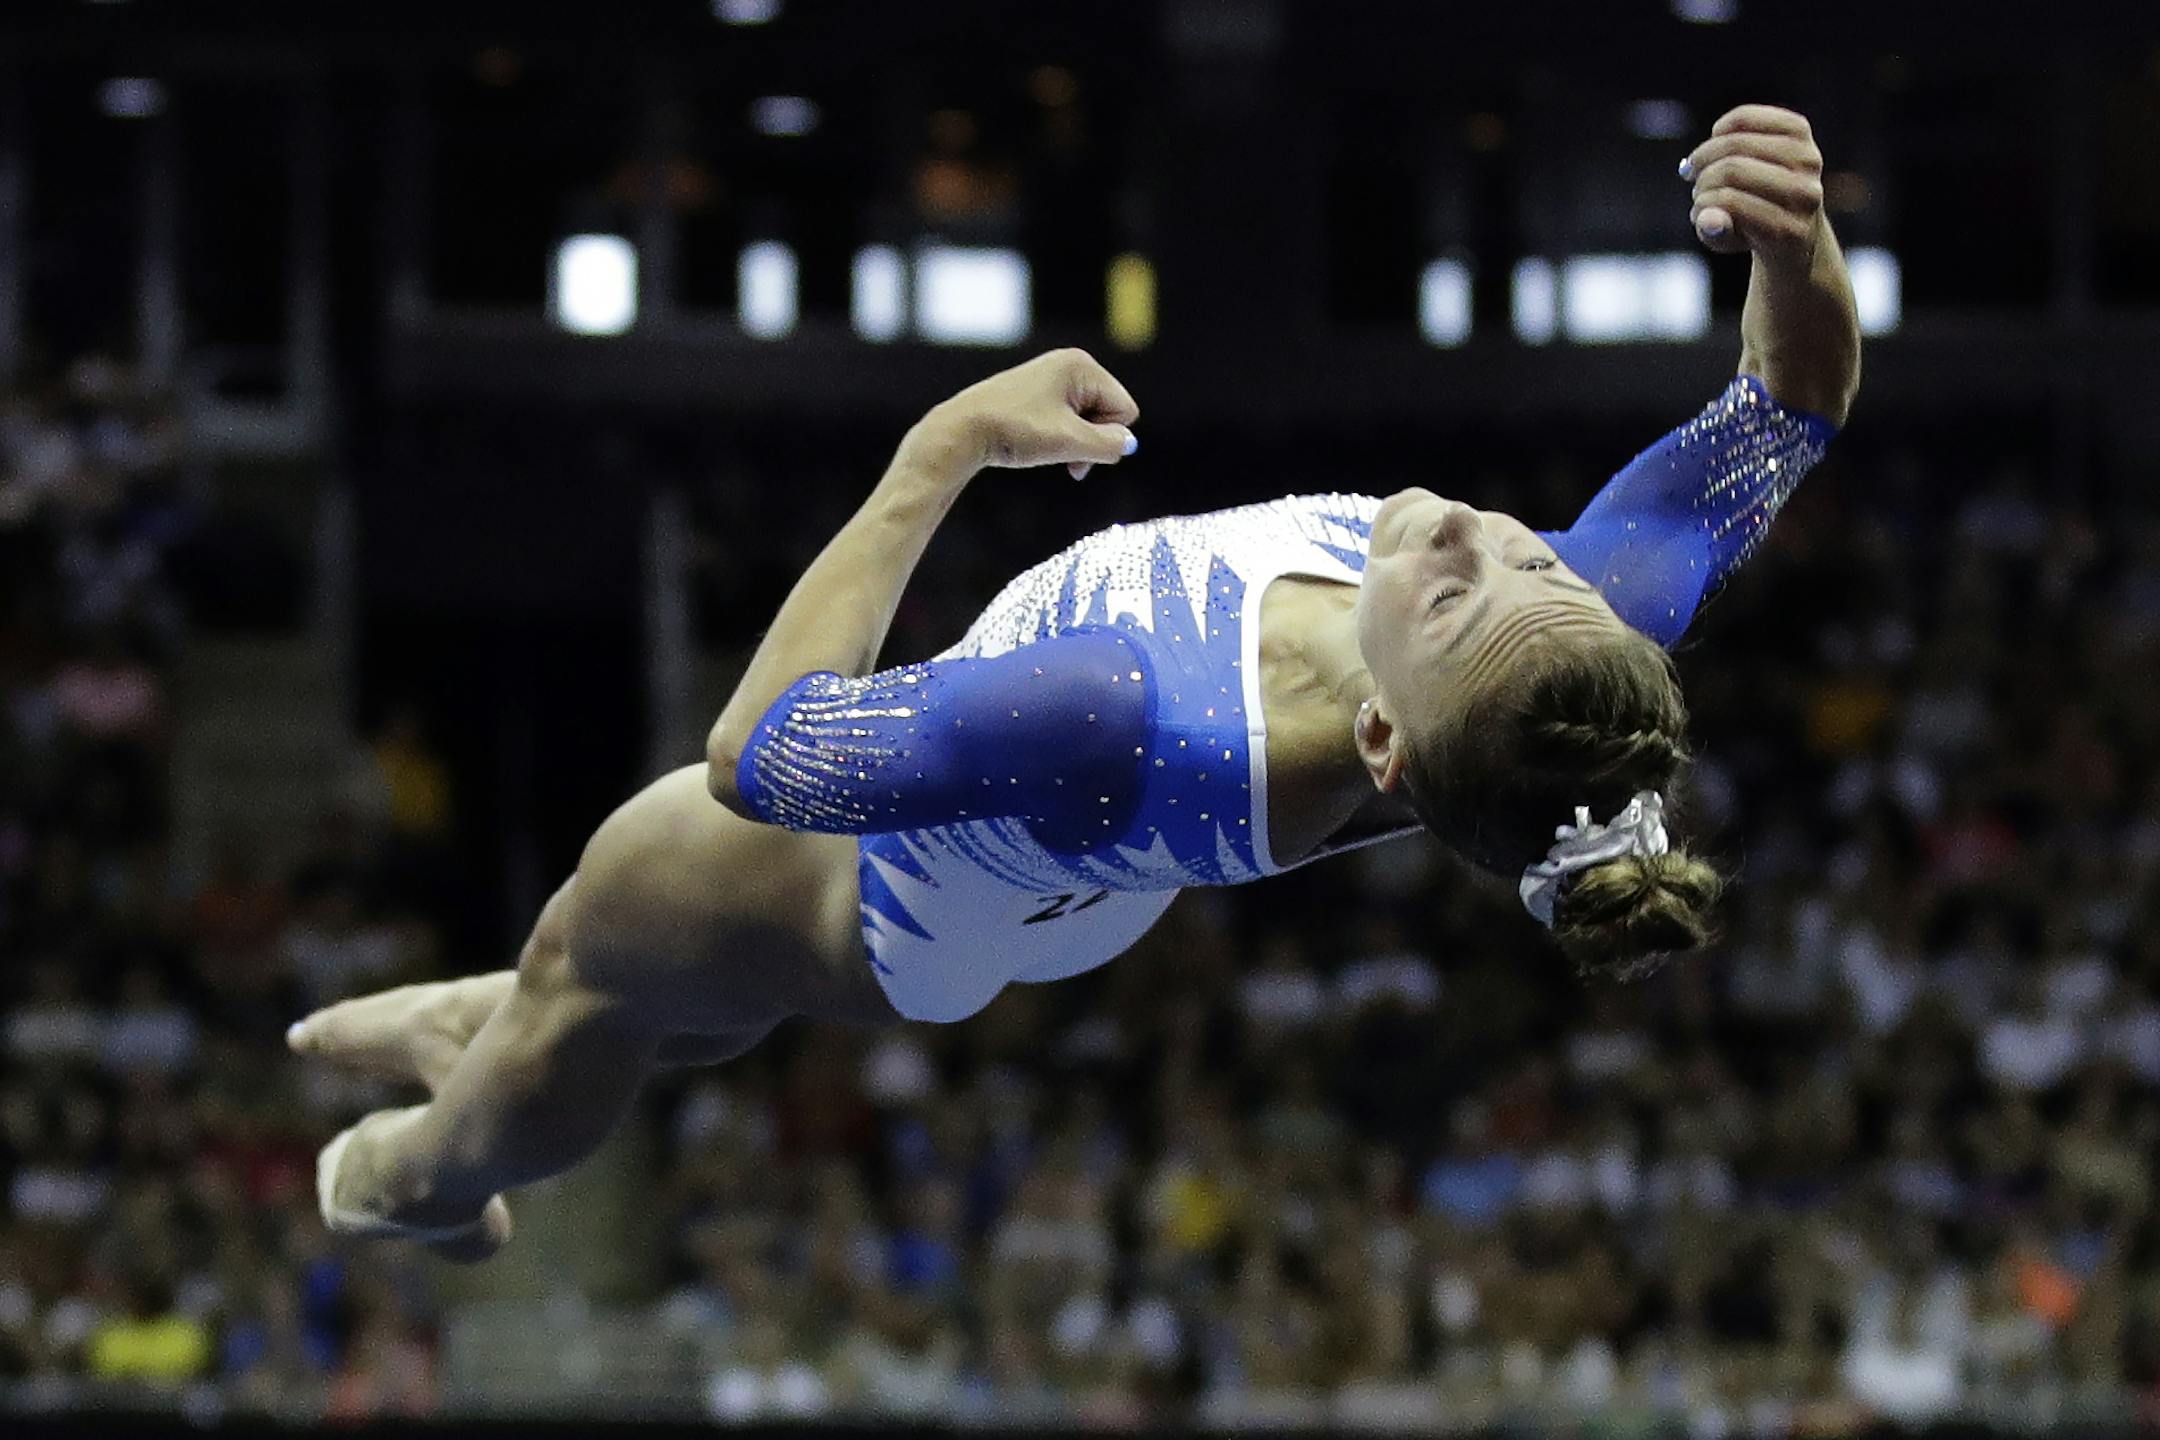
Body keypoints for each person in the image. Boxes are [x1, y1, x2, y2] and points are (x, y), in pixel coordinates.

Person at [297, 105, 1860, 1260]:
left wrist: (945, 447)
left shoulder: (1120, 711)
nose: (1469, 533)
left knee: (592, 952)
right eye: (1525, 557)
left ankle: (420, 1180)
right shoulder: (1576, 646)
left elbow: (759, 755)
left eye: (1454, 597)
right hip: (1030, 883)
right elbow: (1788, 402)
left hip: (868, 891)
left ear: (1383, 731)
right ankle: (476, 1031)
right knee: (677, 1017)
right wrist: (1800, 242)